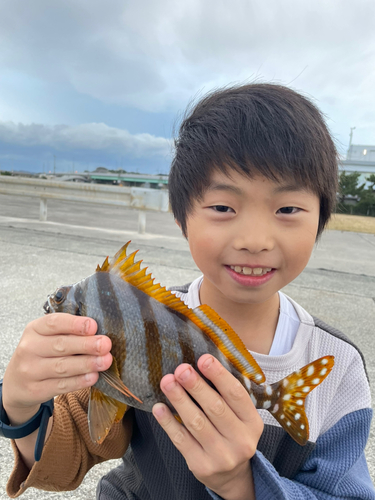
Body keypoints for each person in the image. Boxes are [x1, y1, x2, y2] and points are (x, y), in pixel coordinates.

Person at [2, 83, 374, 500]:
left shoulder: (340, 370)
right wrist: (20, 406)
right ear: (182, 220)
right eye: (222, 207)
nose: (255, 239)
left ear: (323, 218)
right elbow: (64, 457)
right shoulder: (135, 322)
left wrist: (242, 484)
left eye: (287, 209)